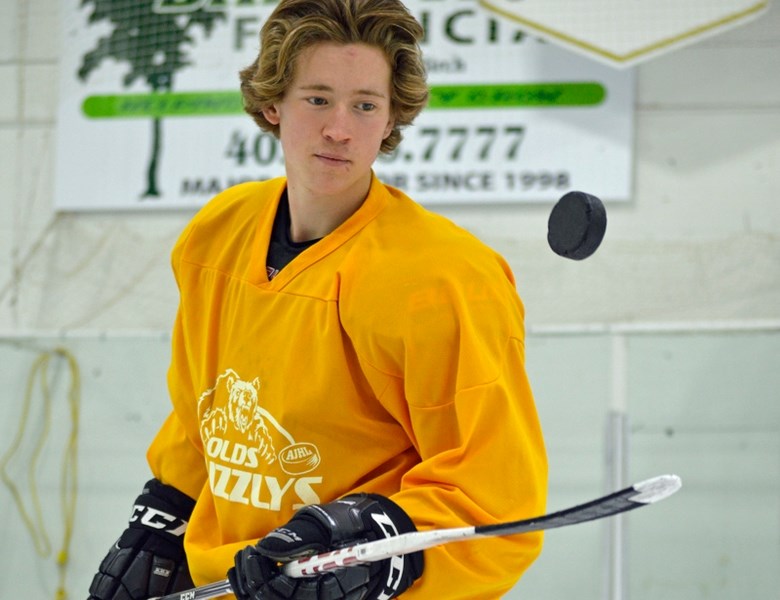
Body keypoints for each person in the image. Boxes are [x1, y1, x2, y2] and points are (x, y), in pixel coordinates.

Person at [87, 0, 548, 598]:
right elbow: (203, 411)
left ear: (390, 119)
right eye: (318, 98)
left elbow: (492, 492)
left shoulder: (446, 278)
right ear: (273, 103)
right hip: (228, 584)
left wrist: (379, 552)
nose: (339, 128)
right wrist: (163, 517)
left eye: (365, 105)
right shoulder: (216, 234)